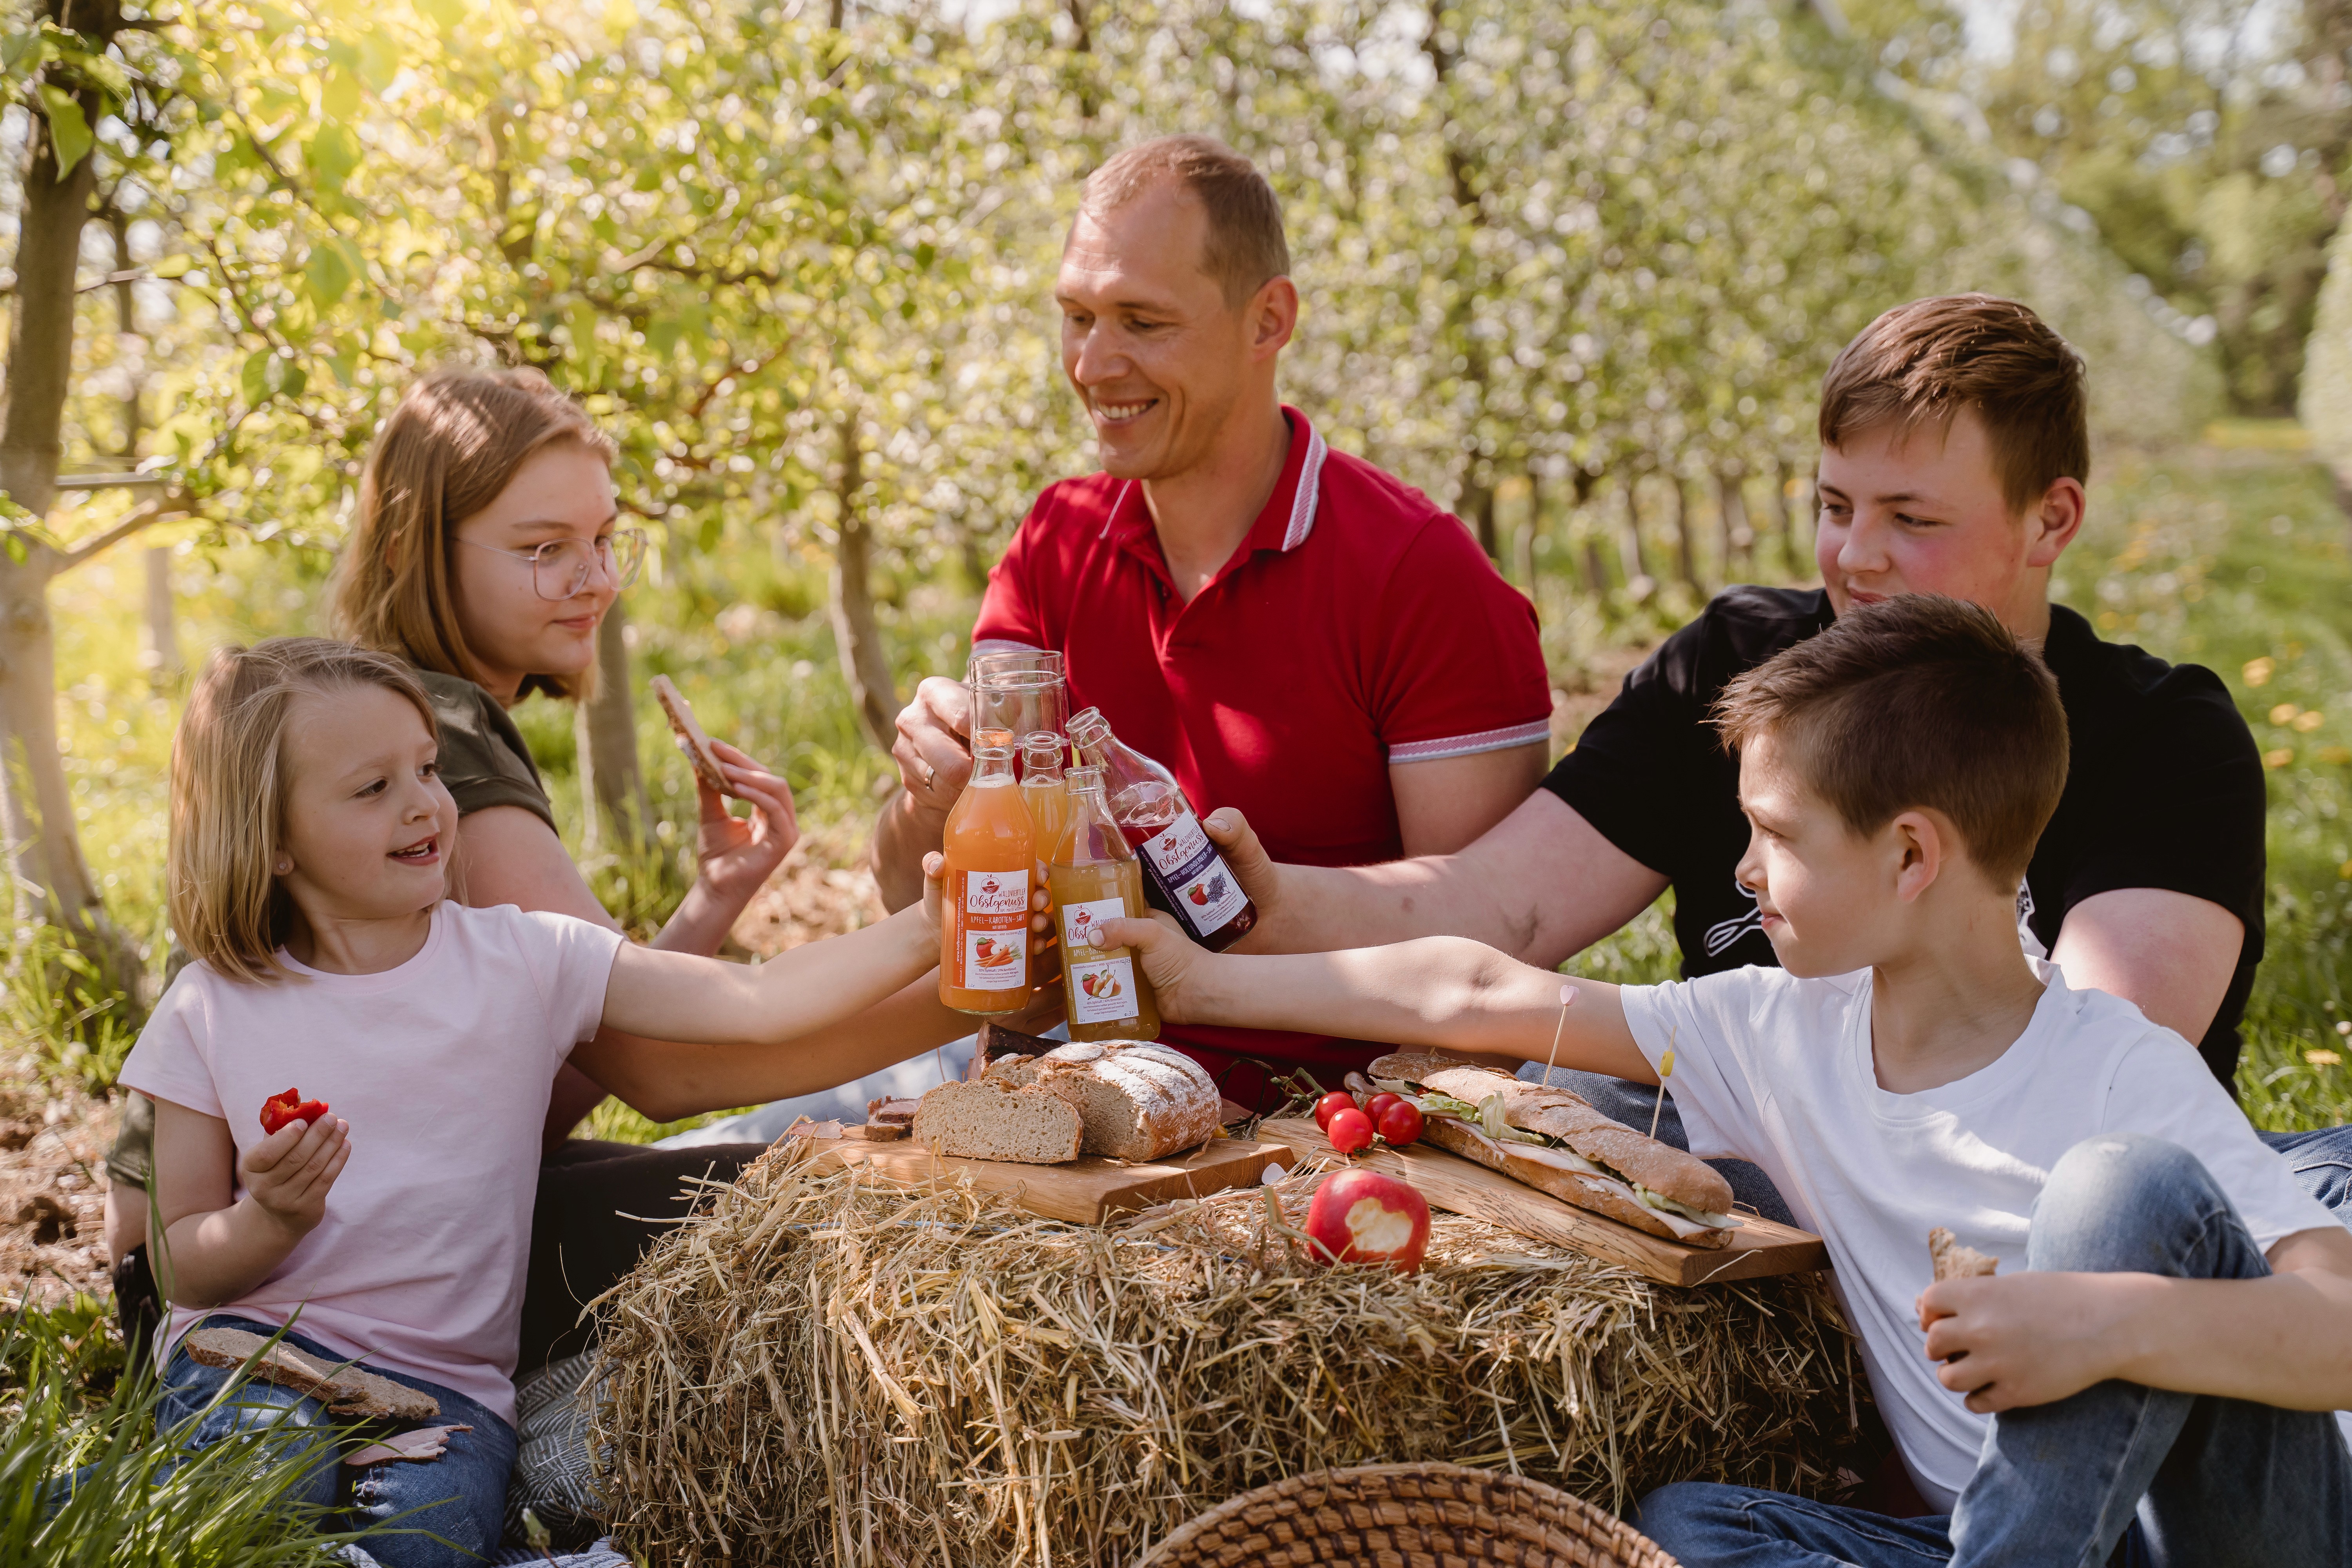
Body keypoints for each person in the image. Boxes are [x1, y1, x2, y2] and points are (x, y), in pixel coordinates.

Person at [1105, 596, 2352, 1565]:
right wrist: (1203, 987)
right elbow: (1475, 995)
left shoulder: (2112, 1065)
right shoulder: (1781, 1030)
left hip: (2218, 1538)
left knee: (2116, 1194)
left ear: (1913, 854)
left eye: (1779, 835)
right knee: (1694, 1529)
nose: (1743, 870)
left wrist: (2103, 1326)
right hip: (1980, 1540)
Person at [1198, 293, 2266, 1190]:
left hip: (2018, 1207)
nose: (1857, 557)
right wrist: (1268, 906)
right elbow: (1499, 908)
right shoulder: (1737, 668)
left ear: (2053, 520)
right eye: (1835, 504)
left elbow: (2072, 1080)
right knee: (1550, 1099)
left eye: (1913, 519)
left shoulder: (2161, 738)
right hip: (1756, 1143)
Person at [106, 368, 972, 1370]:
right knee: (806, 1196)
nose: (594, 578)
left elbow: (516, 1078)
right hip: (246, 1287)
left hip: (317, 1236)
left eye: (604, 540)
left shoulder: (384, 732)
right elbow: (663, 1068)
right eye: (542, 549)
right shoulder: (432, 740)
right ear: (411, 550)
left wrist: (708, 907)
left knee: (769, 1170)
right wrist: (1002, 989)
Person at [867, 134, 1552, 1102]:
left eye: (1142, 321)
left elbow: (1486, 965)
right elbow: (929, 910)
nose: (1093, 364)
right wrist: (930, 796)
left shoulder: (1422, 576)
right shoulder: (1053, 544)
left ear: (1268, 319)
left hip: (1315, 1131)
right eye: (1075, 316)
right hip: (1055, 1102)